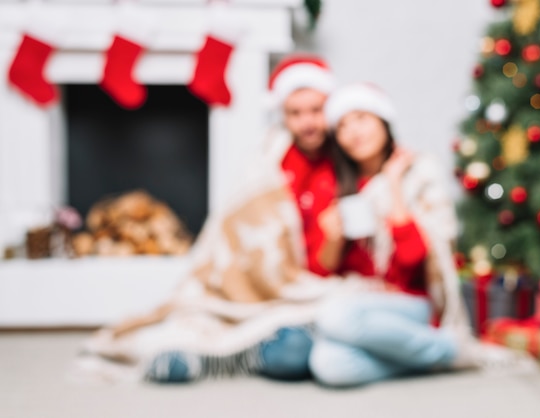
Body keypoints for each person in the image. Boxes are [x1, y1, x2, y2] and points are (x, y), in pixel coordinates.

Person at [140, 55, 338, 383]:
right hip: (259, 281)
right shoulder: (268, 162)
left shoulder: (343, 163)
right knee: (205, 309)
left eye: (316, 110)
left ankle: (247, 350)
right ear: (282, 114)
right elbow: (236, 224)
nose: (308, 123)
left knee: (296, 350)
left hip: (311, 287)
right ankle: (197, 348)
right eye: (296, 113)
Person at [307, 83, 474, 387]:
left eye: (361, 118)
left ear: (383, 121)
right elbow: (323, 270)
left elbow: (414, 260)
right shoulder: (337, 186)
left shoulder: (418, 173)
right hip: (365, 305)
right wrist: (334, 237)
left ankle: (449, 347)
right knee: (327, 363)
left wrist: (394, 184)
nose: (352, 132)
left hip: (413, 304)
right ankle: (433, 356)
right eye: (342, 126)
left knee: (333, 316)